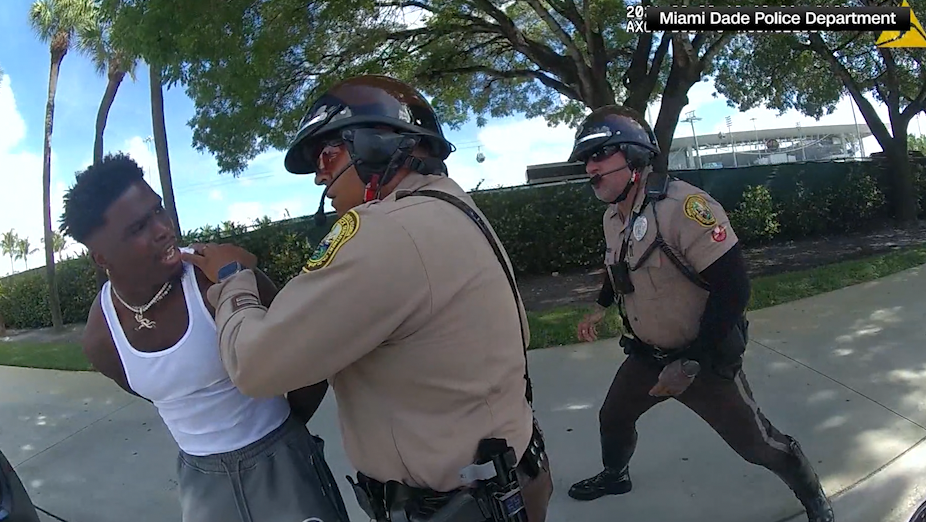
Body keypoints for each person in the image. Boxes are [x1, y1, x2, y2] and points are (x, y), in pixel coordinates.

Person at [180, 74, 554, 522]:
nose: (320, 173)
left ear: (376, 145)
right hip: (511, 478)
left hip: (456, 506)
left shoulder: (386, 231)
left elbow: (256, 366)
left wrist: (232, 277)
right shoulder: (452, 207)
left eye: (327, 153)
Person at [564, 106, 835, 522]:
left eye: (600, 156)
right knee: (613, 417)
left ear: (634, 156)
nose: (591, 169)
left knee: (756, 443)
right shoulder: (613, 217)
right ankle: (615, 475)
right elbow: (618, 265)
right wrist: (599, 308)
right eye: (587, 160)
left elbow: (734, 288)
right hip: (646, 356)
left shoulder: (684, 207)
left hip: (703, 359)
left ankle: (813, 495)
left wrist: (692, 362)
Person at [59, 154, 350, 522]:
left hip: (283, 459)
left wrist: (283, 438)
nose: (163, 229)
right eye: (137, 229)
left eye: (158, 212)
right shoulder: (102, 339)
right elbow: (159, 393)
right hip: (201, 484)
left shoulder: (219, 277)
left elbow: (305, 357)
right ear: (102, 257)